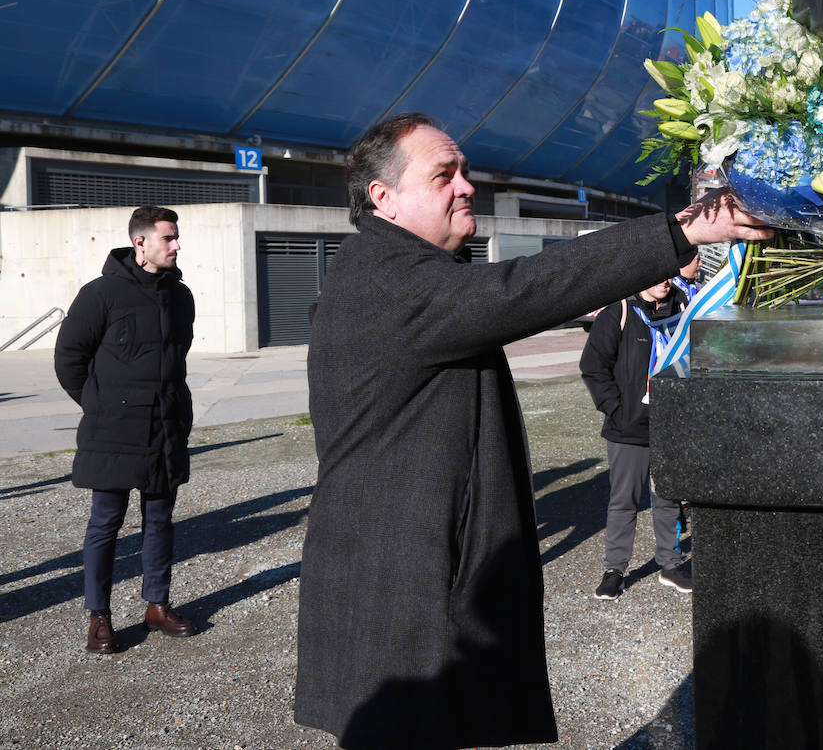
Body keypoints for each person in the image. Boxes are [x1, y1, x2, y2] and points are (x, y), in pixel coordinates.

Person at [295, 112, 772, 749]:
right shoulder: (386, 280)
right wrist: (682, 229)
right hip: (396, 583)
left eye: (464, 171)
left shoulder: (401, 270)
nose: (466, 186)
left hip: (407, 568)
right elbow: (526, 289)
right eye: (443, 175)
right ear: (383, 198)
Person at [53, 206, 199, 654]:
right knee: (106, 523)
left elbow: (179, 355)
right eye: (168, 238)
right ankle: (99, 616)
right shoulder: (100, 294)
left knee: (160, 520)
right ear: (141, 243)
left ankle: (157, 606)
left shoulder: (181, 296)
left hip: (165, 425)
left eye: (176, 238)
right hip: (113, 428)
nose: (177, 245)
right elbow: (69, 359)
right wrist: (100, 405)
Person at [580, 277, 691, 598]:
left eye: (670, 272)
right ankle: (615, 569)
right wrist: (616, 410)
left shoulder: (683, 311)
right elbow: (593, 366)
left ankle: (670, 564)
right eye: (658, 273)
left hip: (671, 424)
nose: (666, 280)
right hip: (627, 428)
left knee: (668, 496)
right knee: (624, 501)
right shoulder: (620, 312)